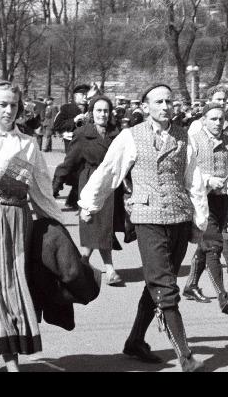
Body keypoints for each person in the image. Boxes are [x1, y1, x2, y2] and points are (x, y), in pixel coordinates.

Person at [78, 84, 209, 372]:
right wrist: (89, 204)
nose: (165, 106)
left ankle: (135, 341)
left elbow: (194, 180)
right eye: (159, 102)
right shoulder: (130, 136)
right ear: (146, 106)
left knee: (157, 283)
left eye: (169, 101)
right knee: (165, 285)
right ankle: (186, 358)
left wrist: (200, 222)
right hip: (148, 218)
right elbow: (109, 171)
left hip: (178, 219)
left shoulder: (183, 137)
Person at [0, 82, 65, 372]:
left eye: (13, 105)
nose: (8, 110)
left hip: (17, 222)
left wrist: (59, 227)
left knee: (11, 286)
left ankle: (8, 358)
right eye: (3, 104)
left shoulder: (27, 145)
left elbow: (42, 191)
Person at [54, 95, 127, 287]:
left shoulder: (117, 134)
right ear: (91, 113)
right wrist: (56, 184)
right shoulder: (83, 134)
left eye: (105, 110)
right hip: (90, 184)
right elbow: (69, 162)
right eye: (98, 110)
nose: (102, 114)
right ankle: (108, 269)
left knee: (101, 228)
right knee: (97, 227)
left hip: (110, 187)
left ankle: (82, 264)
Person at [182, 103, 228, 314]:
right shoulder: (194, 141)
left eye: (220, 119)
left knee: (205, 246)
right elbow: (187, 173)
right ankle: (223, 296)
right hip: (200, 201)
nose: (217, 123)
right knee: (214, 245)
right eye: (213, 119)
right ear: (203, 120)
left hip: (221, 201)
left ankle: (190, 286)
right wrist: (207, 181)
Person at [187, 85, 228, 277]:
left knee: (219, 229)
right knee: (213, 234)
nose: (222, 103)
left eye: (225, 100)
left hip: (225, 187)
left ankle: (193, 282)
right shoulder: (198, 126)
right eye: (219, 99)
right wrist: (206, 180)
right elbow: (192, 157)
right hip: (204, 189)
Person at [53, 84, 91, 210]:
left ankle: (73, 200)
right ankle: (54, 190)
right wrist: (74, 120)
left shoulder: (91, 109)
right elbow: (57, 125)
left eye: (87, 94)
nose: (85, 97)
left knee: (83, 170)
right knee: (69, 166)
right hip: (71, 142)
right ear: (75, 96)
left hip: (87, 142)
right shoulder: (67, 108)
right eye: (82, 94)